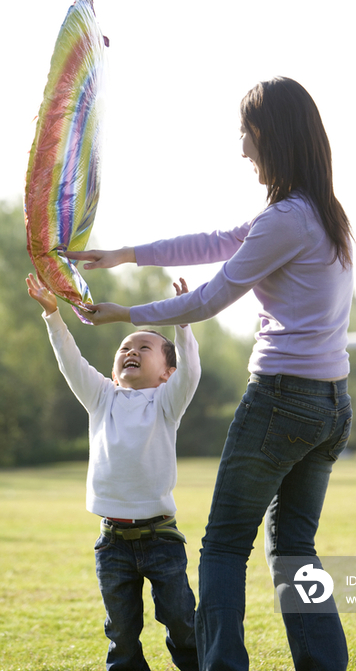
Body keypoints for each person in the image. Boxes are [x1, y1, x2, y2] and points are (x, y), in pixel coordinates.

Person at [70, 76, 354, 671]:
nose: (243, 148)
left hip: (281, 400)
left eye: (247, 134)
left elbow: (211, 297)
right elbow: (219, 241)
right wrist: (126, 253)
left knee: (223, 548)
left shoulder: (287, 219)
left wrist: (126, 312)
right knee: (295, 546)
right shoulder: (317, 214)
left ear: (271, 136)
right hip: (331, 405)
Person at [26, 273, 201, 671]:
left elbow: (191, 371)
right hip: (112, 543)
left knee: (180, 619)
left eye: (144, 346)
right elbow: (72, 362)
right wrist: (53, 315)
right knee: (121, 631)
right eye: (125, 347)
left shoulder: (165, 403)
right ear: (114, 365)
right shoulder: (101, 397)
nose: (131, 350)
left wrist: (184, 321)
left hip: (161, 539)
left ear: (166, 373)